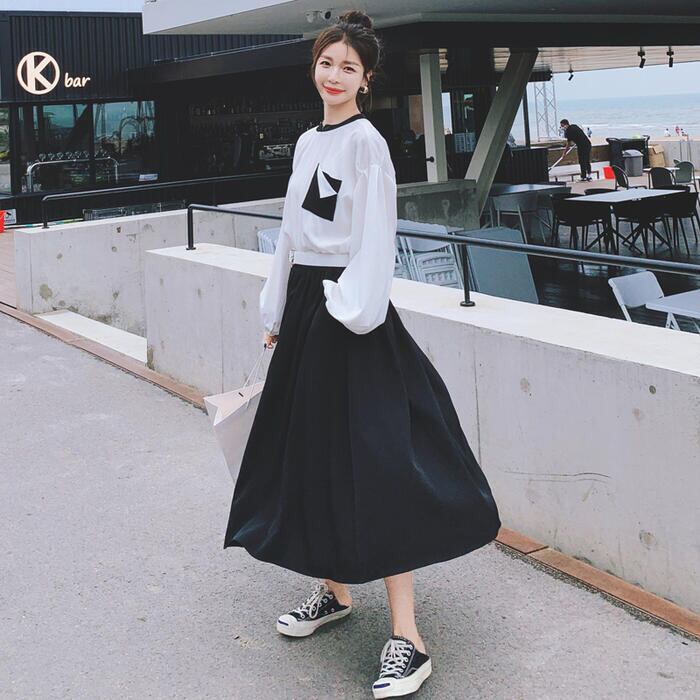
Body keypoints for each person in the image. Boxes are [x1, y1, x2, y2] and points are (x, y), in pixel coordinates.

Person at [223, 10, 501, 699]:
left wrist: (350, 312)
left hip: (350, 312)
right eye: (327, 63)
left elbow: (377, 236)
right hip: (309, 308)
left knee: (379, 463)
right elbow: (291, 234)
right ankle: (337, 590)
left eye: (348, 67)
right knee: (311, 452)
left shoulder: (367, 143)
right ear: (314, 68)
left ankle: (409, 637)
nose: (335, 75)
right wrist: (277, 310)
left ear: (366, 79)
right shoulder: (306, 141)